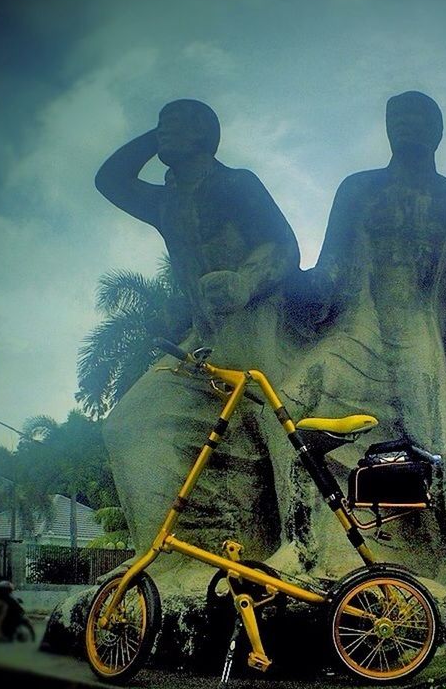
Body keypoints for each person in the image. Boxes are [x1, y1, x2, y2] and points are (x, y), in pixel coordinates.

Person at [275, 91, 446, 578]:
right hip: (359, 328)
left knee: (435, 446)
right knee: (288, 411)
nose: (408, 124)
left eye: (420, 117)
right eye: (398, 116)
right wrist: (277, 278)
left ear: (439, 131)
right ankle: (296, 546)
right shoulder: (358, 188)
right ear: (386, 127)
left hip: (418, 333)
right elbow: (330, 268)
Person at [97, 100, 300, 560]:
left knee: (281, 425)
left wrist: (246, 280)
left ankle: (300, 548)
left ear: (204, 135)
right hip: (204, 341)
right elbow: (109, 180)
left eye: (177, 125)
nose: (164, 131)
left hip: (258, 327)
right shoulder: (166, 201)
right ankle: (170, 556)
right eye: (160, 123)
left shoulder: (236, 184)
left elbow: (286, 247)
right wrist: (158, 136)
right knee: (129, 423)